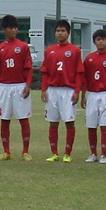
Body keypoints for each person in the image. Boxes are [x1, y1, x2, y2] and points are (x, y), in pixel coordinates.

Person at [0, 14, 34, 161]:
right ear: (4, 29)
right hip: (4, 87)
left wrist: (28, 84)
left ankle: (25, 152)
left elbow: (29, 68)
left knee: (23, 119)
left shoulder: (23, 46)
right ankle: (6, 152)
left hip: (20, 86)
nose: (13, 30)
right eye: (10, 28)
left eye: (15, 28)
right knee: (4, 119)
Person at [40, 19, 82, 162]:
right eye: (58, 30)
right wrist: (43, 89)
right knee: (53, 122)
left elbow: (78, 72)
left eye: (63, 30)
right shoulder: (49, 50)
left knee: (69, 121)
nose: (60, 33)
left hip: (68, 91)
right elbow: (45, 71)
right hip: (52, 90)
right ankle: (54, 152)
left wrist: (77, 91)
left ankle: (67, 153)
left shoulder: (75, 50)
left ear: (68, 33)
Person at [82, 29, 106, 164]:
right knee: (91, 125)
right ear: (94, 42)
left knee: (105, 125)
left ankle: (104, 155)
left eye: (103, 39)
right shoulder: (89, 58)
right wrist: (83, 96)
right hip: (92, 94)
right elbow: (85, 79)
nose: (101, 42)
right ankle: (93, 153)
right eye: (98, 39)